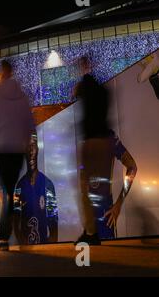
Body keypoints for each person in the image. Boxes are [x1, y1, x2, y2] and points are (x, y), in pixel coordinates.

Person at [0, 60, 36, 251]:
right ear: (12, 71)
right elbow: (30, 124)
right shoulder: (22, 95)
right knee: (10, 191)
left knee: (6, 190)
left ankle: (3, 237)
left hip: (1, 145)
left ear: (1, 71)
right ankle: (6, 235)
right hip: (17, 148)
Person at [73, 56, 111, 245]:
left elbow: (75, 94)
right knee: (103, 187)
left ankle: (91, 232)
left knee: (84, 187)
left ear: (83, 67)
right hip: (105, 140)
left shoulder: (83, 86)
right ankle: (98, 229)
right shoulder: (103, 90)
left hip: (90, 142)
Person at [13, 135, 58, 245]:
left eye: (33, 146)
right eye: (27, 147)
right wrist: (23, 245)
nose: (31, 151)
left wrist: (48, 250)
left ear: (37, 149)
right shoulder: (19, 186)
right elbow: (16, 221)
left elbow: (54, 227)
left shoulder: (48, 185)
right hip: (26, 250)